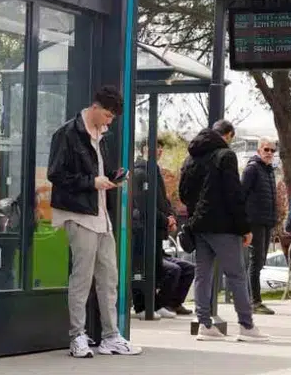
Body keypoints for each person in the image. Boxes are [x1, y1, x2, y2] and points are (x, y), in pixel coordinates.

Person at [48, 85, 142, 358]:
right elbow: (56, 174)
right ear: (96, 107)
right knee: (82, 278)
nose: (110, 121)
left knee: (108, 278)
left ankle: (111, 336)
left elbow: (103, 171)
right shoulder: (66, 134)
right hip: (79, 215)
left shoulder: (103, 137)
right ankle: (77, 336)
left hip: (102, 216)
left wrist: (115, 176)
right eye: (109, 116)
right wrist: (92, 182)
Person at [179, 120, 270, 342]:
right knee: (237, 275)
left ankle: (204, 324)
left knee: (203, 274)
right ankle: (246, 326)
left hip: (199, 226)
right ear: (228, 135)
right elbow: (234, 195)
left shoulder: (191, 158)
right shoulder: (225, 156)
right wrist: (244, 227)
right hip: (223, 226)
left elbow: (184, 194)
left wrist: (196, 215)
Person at [131, 138, 193, 319]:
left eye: (160, 148)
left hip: (156, 229)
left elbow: (162, 201)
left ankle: (156, 305)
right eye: (154, 147)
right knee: (142, 268)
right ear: (143, 149)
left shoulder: (154, 171)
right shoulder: (140, 172)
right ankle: (142, 306)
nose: (158, 151)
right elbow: (144, 206)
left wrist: (170, 217)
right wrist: (165, 220)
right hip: (142, 230)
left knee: (155, 268)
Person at [240, 139, 279, 316]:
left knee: (260, 261)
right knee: (255, 261)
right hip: (254, 222)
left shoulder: (269, 171)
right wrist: (244, 222)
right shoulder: (252, 169)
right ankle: (253, 301)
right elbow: (242, 195)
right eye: (266, 149)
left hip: (266, 222)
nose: (269, 152)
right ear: (259, 150)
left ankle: (253, 299)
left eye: (272, 150)